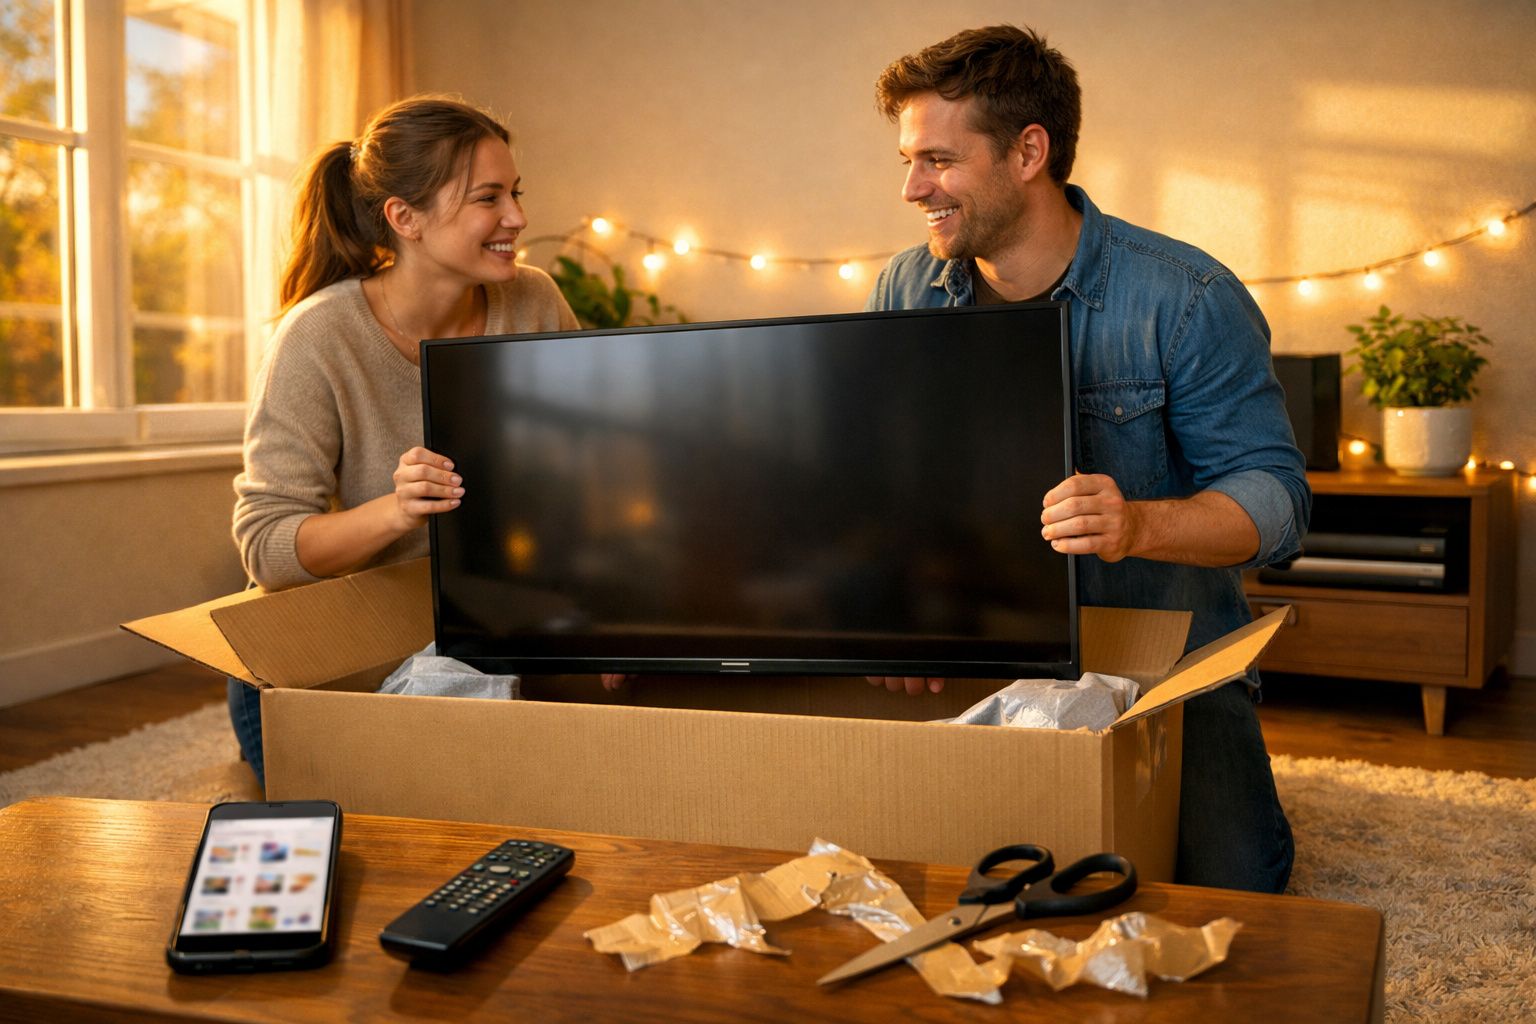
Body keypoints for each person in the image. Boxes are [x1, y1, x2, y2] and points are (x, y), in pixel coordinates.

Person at [862, 25, 1310, 894]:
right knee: (923, 874)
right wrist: (895, 606)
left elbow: (1279, 503)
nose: (914, 188)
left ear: (1030, 151)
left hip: (1166, 668)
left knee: (1236, 884)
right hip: (984, 648)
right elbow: (887, 482)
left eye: (939, 161)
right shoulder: (904, 290)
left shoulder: (1188, 299)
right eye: (910, 160)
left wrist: (1138, 523)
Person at [228, 96, 580, 786]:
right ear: (404, 217)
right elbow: (266, 547)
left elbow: (587, 474)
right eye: (489, 198)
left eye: (515, 193)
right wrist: (396, 510)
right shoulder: (318, 336)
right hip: (341, 655)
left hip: (483, 629)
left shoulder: (532, 301)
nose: (518, 217)